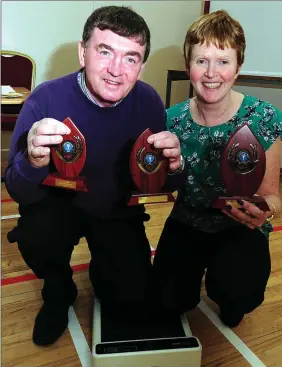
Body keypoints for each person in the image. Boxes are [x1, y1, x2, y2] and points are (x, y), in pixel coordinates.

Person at [5, 5, 184, 346]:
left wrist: (176, 167)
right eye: (105, 52)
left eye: (131, 58)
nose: (117, 70)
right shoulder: (45, 99)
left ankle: (108, 271)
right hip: (58, 205)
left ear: (142, 65)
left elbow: (159, 183)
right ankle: (58, 288)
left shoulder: (148, 102)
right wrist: (32, 158)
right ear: (82, 52)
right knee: (36, 234)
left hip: (116, 209)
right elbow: (18, 189)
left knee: (129, 295)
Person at [153, 10, 282, 328]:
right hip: (187, 221)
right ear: (188, 66)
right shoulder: (169, 119)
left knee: (238, 293)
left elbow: (273, 198)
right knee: (165, 299)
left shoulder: (263, 118)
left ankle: (231, 294)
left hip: (238, 228)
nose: (211, 73)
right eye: (201, 61)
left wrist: (263, 211)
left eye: (223, 61)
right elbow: (163, 185)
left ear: (238, 67)